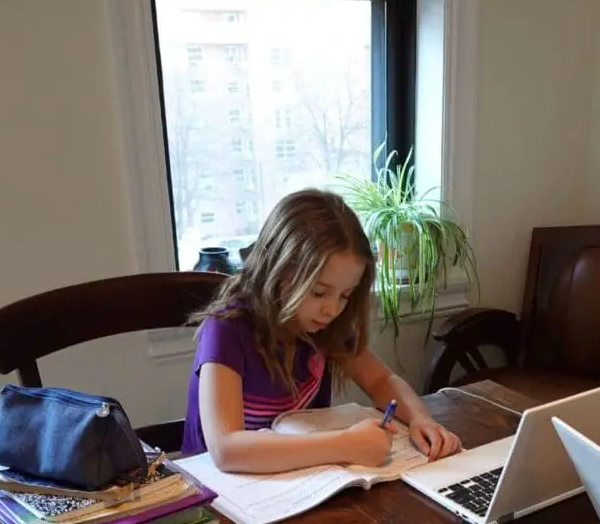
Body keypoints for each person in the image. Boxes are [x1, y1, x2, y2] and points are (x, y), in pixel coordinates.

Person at [181, 188, 463, 474]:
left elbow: (380, 380)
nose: (332, 309)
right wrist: (346, 444)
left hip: (299, 483)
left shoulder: (323, 326)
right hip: (220, 498)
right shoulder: (226, 328)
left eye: (345, 295)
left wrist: (419, 418)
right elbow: (226, 449)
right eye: (318, 292)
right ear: (278, 271)